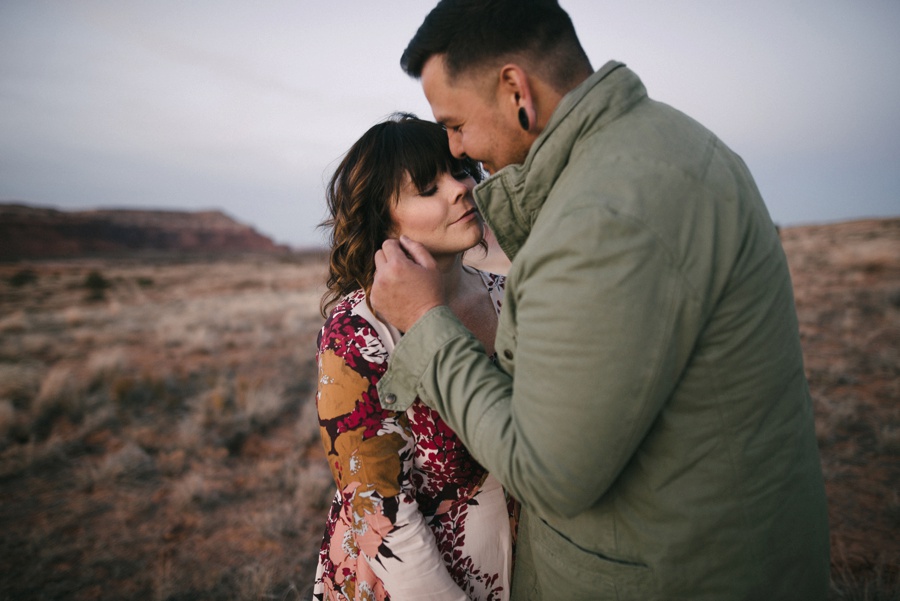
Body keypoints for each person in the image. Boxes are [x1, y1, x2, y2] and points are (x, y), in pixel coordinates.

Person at [369, 1, 831, 599]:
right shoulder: (669, 142)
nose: (456, 149)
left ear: (516, 89)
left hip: (670, 573)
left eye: (455, 123)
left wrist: (427, 322)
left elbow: (550, 473)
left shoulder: (602, 219)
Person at [313, 113, 515, 601]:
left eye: (460, 170)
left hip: (519, 563)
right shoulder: (357, 333)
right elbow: (383, 519)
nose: (461, 188)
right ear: (384, 219)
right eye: (428, 186)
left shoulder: (509, 297)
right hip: (413, 583)